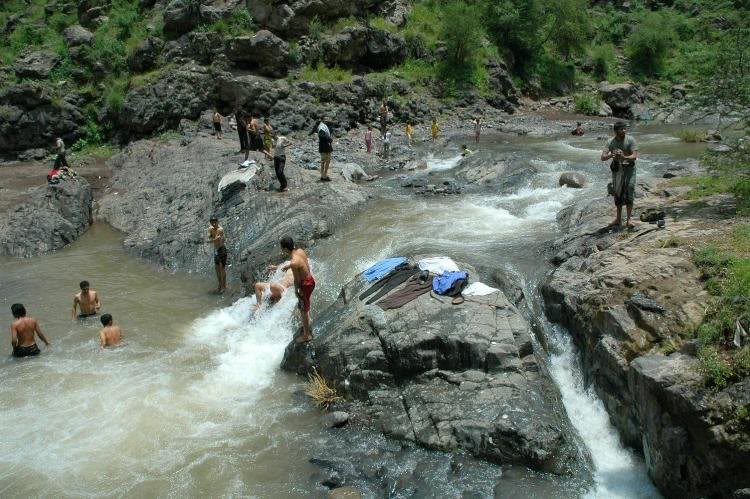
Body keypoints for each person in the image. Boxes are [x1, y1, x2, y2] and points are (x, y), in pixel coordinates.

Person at [272, 236, 315, 343]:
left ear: (285, 249)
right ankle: (308, 321)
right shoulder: (300, 251)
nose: (282, 251)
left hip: (305, 284)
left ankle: (307, 335)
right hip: (310, 279)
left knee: (302, 309)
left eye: (282, 248)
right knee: (305, 304)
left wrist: (297, 291)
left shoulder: (294, 262)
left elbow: (297, 280)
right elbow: (304, 264)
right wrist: (289, 266)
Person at [601, 121, 638, 229]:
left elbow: (634, 156)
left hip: (630, 169)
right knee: (618, 193)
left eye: (625, 129)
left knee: (629, 188)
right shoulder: (610, 142)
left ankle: (629, 219)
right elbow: (602, 157)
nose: (624, 131)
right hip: (617, 170)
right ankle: (618, 219)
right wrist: (611, 155)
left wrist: (624, 157)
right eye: (622, 129)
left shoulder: (630, 140)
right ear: (616, 131)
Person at [208, 217, 227, 293]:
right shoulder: (210, 228)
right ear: (211, 223)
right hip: (216, 250)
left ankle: (224, 286)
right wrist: (210, 237)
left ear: (218, 221)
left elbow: (213, 239)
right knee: (217, 269)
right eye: (212, 222)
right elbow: (209, 237)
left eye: (215, 222)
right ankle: (220, 285)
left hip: (222, 249)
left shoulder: (220, 229)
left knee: (222, 268)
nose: (214, 224)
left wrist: (211, 239)